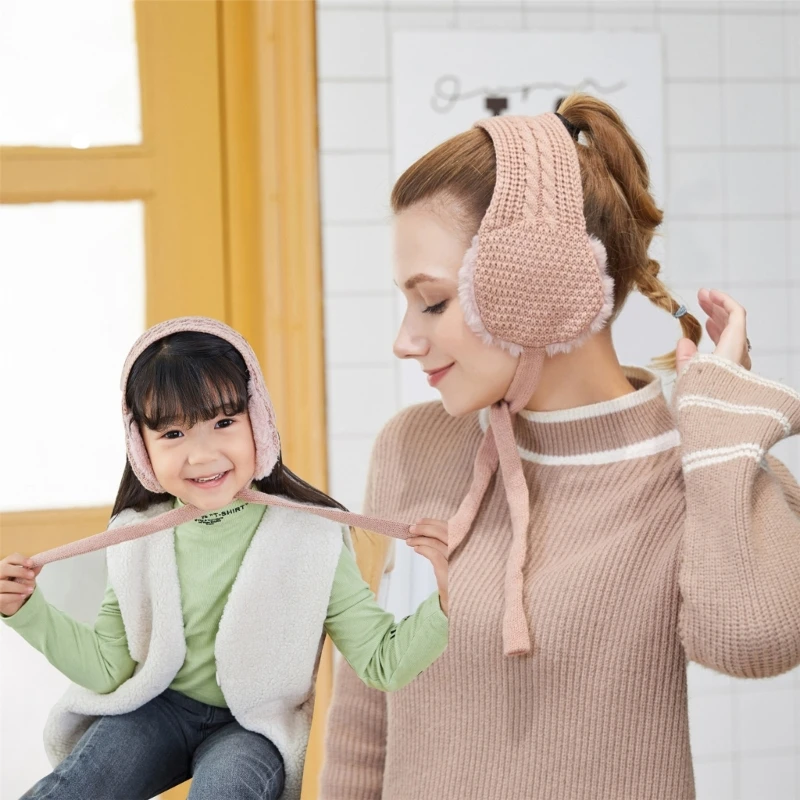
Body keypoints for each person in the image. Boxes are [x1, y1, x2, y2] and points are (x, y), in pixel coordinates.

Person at [321, 94, 800, 799]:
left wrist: (722, 431)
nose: (405, 340)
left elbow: (754, 642)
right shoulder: (413, 448)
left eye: (433, 302)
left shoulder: (691, 468)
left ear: (536, 286)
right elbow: (365, 721)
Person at [1, 317, 448, 800]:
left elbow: (383, 662)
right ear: (141, 448)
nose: (201, 454)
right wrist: (25, 611)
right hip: (159, 708)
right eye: (172, 434)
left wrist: (447, 597)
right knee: (78, 786)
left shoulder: (311, 534)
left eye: (224, 422)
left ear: (258, 422)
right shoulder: (135, 536)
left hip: (251, 727)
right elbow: (109, 669)